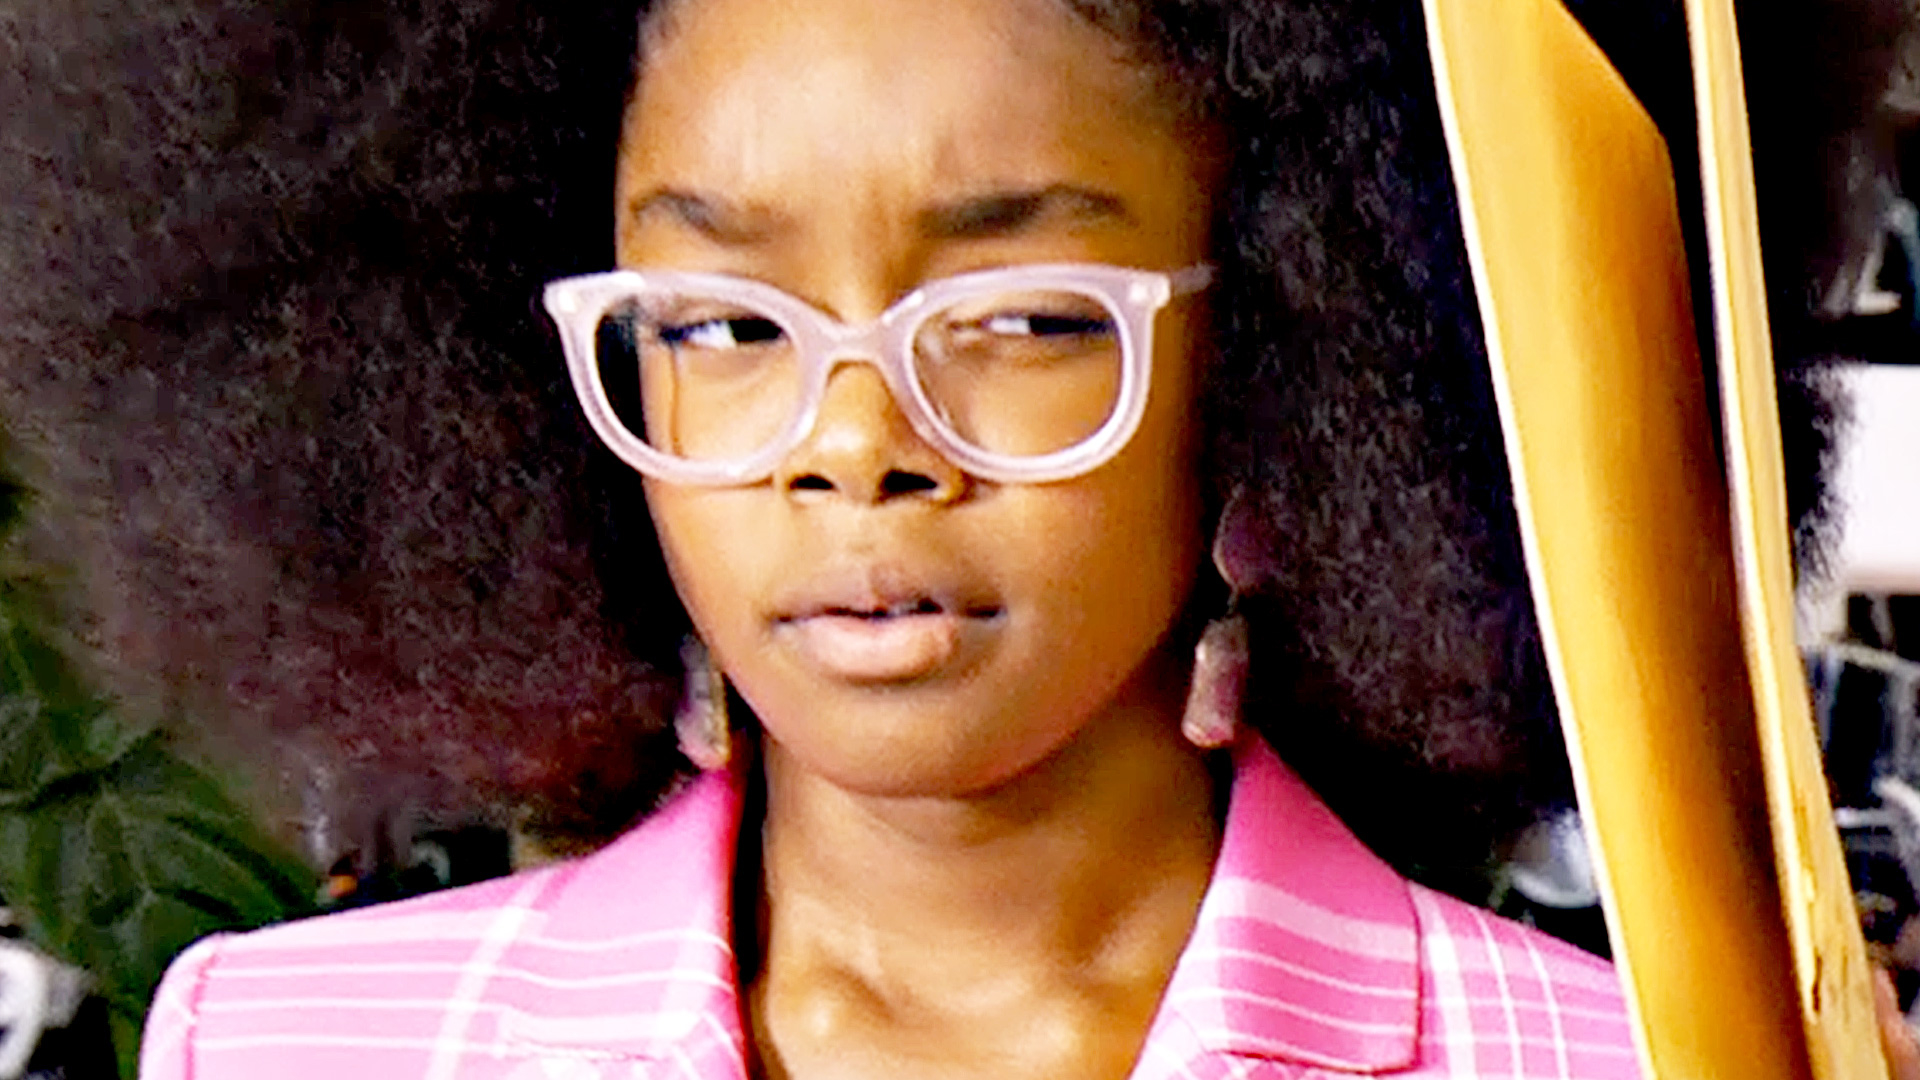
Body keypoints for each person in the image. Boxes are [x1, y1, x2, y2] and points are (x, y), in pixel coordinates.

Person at [127, 0, 1656, 1077]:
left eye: (1024, 319)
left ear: (1286, 362)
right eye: (726, 324)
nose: (854, 443)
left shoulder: (1616, 1060)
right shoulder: (288, 1047)